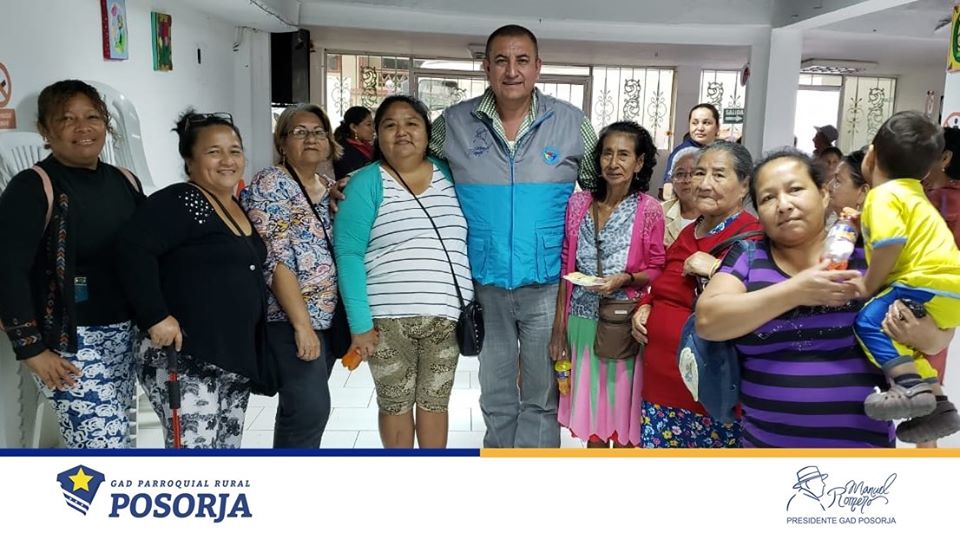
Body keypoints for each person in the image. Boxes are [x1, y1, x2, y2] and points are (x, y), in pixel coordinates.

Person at [696, 147, 950, 447]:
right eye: (768, 198)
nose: (783, 205)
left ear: (824, 194)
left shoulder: (869, 256)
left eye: (795, 190)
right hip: (765, 450)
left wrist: (928, 336)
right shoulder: (748, 258)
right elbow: (708, 320)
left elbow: (938, 334)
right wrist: (796, 291)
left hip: (862, 455)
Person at [427, 25, 599, 448]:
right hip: (484, 281)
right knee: (496, 392)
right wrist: (360, 181)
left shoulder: (572, 123)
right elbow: (414, 171)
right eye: (501, 61)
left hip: (547, 283)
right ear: (486, 67)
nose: (512, 71)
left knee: (542, 395)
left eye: (522, 60)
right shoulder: (453, 123)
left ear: (538, 67)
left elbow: (601, 191)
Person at [117, 110, 274, 449]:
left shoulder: (233, 204)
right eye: (213, 151)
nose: (227, 160)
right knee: (194, 454)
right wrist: (155, 315)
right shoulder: (182, 200)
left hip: (232, 355)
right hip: (186, 356)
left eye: (234, 150)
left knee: (225, 449)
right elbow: (132, 250)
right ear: (189, 161)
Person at [0, 80, 144, 448]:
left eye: (92, 117)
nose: (83, 128)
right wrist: (32, 350)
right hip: (67, 342)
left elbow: (146, 254)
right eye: (67, 119)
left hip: (123, 334)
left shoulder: (125, 181)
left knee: (117, 439)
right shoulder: (32, 187)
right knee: (104, 445)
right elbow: (8, 271)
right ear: (45, 130)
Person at [334, 95, 472, 449]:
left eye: (412, 123)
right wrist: (360, 326)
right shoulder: (366, 183)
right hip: (387, 322)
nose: (402, 132)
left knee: (435, 403)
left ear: (427, 132)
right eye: (390, 125)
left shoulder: (451, 175)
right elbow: (348, 254)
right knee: (395, 403)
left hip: (446, 318)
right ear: (377, 135)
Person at [631, 140, 762, 448]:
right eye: (700, 173)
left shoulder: (752, 237)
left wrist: (716, 268)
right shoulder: (690, 231)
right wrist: (646, 305)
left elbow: (762, 296)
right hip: (660, 386)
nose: (704, 184)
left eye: (719, 175)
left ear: (744, 185)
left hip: (708, 394)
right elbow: (665, 281)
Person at [550, 121, 665, 447]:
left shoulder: (649, 210)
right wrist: (559, 326)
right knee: (592, 420)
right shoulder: (578, 204)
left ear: (639, 163)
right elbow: (566, 263)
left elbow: (657, 267)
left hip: (622, 323)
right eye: (607, 154)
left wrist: (626, 278)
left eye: (623, 155)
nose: (613, 163)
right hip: (581, 321)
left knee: (622, 417)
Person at [851, 111, 960, 444]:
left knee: (868, 322)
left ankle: (910, 388)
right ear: (926, 170)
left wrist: (868, 284)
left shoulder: (882, 195)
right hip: (948, 290)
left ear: (871, 155)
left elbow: (890, 242)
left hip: (926, 282)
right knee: (897, 335)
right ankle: (938, 405)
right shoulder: (914, 194)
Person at [240, 103, 342, 448]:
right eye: (299, 132)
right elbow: (275, 259)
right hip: (289, 319)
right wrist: (302, 325)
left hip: (328, 320)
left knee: (298, 409)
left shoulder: (329, 187)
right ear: (282, 142)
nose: (310, 138)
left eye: (318, 132)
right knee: (311, 409)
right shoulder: (271, 183)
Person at [661, 104, 720, 201]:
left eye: (706, 123)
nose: (700, 128)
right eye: (695, 123)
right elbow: (668, 192)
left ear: (717, 127)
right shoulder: (682, 154)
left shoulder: (723, 152)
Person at [661, 146, 700, 246]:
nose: (687, 180)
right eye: (680, 174)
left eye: (694, 174)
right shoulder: (659, 213)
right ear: (671, 179)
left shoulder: (718, 215)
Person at [333, 106, 375, 179]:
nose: (373, 129)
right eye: (368, 125)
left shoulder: (368, 147)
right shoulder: (343, 151)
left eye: (373, 125)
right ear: (353, 127)